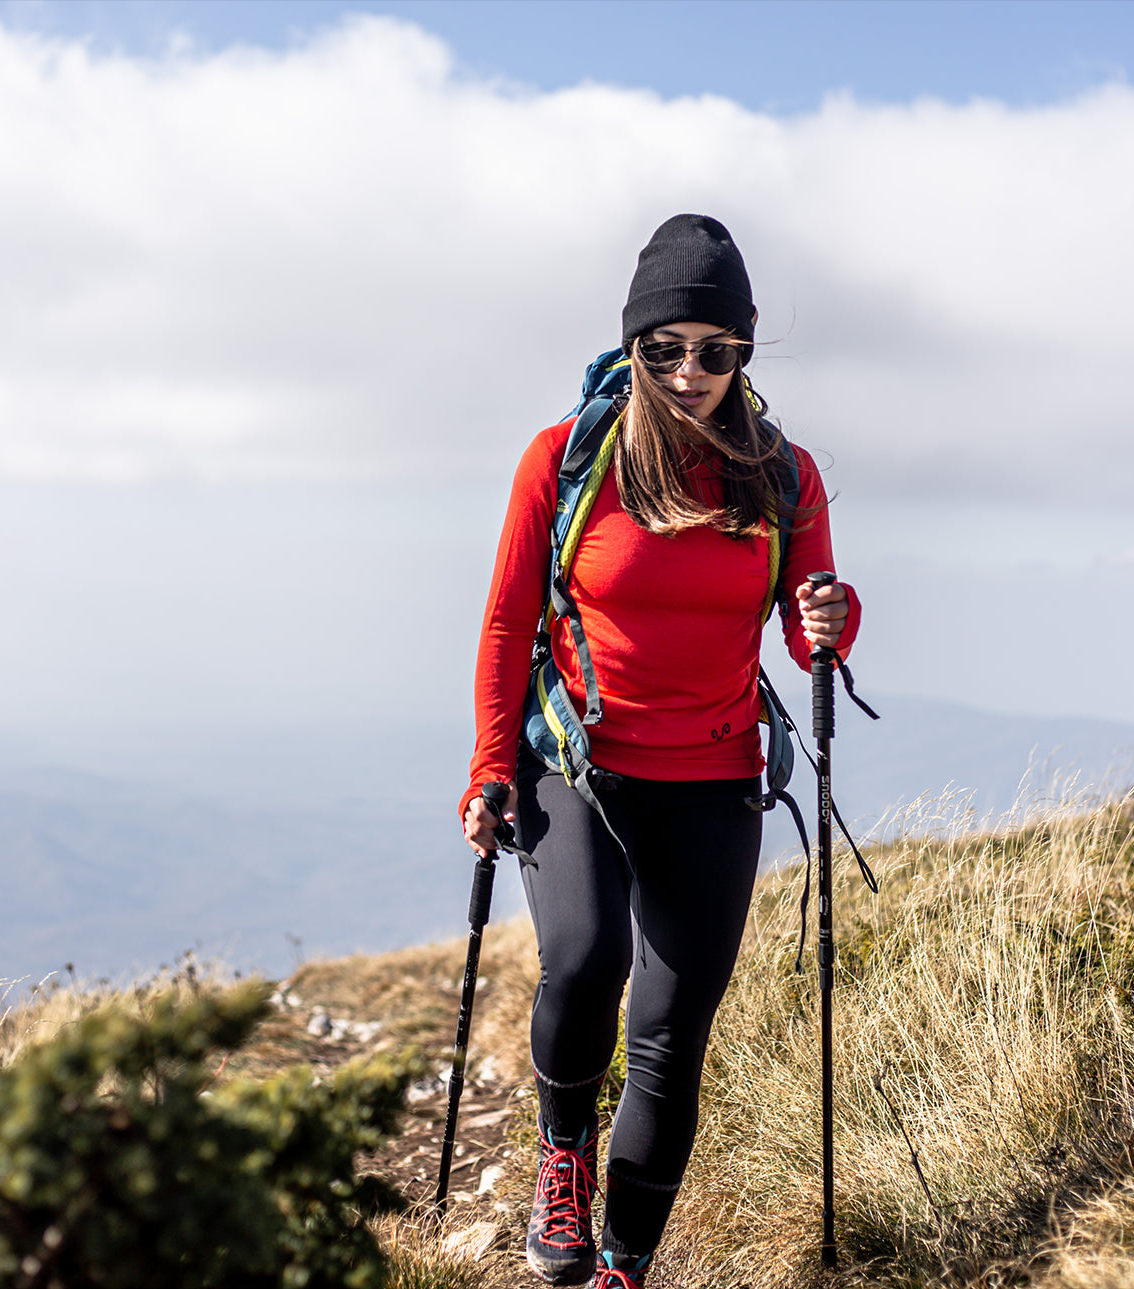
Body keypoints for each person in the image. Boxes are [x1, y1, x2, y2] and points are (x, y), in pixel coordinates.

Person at [459, 214, 860, 1289]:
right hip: (576, 759)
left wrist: (831, 616)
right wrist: (490, 765)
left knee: (671, 1030)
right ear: (632, 347)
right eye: (666, 348)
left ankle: (623, 1262)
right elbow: (508, 623)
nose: (690, 373)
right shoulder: (564, 458)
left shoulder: (780, 473)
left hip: (713, 770)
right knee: (586, 959)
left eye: (715, 352)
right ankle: (562, 1153)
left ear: (745, 349)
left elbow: (805, 620)